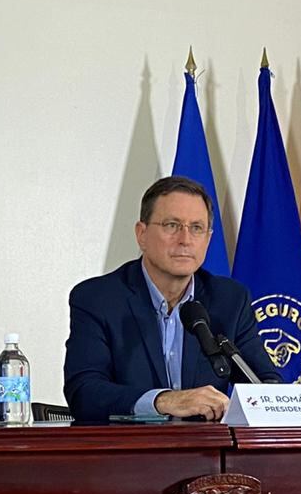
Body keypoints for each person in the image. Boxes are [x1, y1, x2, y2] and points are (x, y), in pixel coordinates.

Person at [63, 176, 280, 422]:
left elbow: (265, 385)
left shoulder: (230, 300)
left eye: (196, 228)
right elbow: (84, 393)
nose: (185, 239)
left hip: (206, 446)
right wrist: (164, 401)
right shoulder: (98, 299)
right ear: (141, 234)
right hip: (127, 445)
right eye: (172, 225)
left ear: (208, 239)